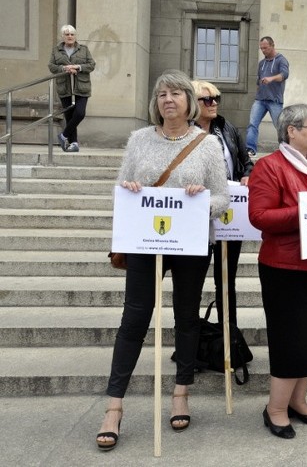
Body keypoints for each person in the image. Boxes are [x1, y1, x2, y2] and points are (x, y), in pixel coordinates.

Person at [95, 70, 229, 451]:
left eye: (175, 94)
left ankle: (181, 391)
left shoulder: (207, 144)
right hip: (144, 240)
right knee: (134, 316)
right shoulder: (138, 140)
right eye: (162, 94)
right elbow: (122, 187)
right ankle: (114, 406)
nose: (168, 99)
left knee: (186, 317)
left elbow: (222, 199)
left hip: (189, 242)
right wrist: (131, 188)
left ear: (189, 101)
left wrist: (200, 198)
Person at [248, 104, 307, 439]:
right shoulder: (269, 167)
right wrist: (304, 208)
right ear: (291, 131)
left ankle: (298, 400)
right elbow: (259, 217)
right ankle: (275, 408)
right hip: (284, 266)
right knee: (290, 341)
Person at [192, 80, 254, 326]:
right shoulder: (184, 131)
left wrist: (247, 173)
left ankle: (229, 339)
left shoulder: (226, 127)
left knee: (227, 279)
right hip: (197, 213)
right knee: (192, 281)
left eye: (216, 97)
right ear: (192, 102)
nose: (214, 103)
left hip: (229, 210)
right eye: (207, 99)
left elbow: (245, 160)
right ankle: (191, 344)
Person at [47, 24, 96, 153]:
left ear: (75, 36)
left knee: (80, 113)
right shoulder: (56, 50)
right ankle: (74, 143)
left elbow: (91, 65)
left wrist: (78, 67)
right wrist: (64, 68)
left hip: (81, 86)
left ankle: (63, 136)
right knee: (69, 116)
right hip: (64, 87)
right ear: (63, 36)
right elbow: (51, 66)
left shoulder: (83, 49)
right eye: (67, 34)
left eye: (72, 34)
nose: (70, 36)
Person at [246, 36, 290, 157]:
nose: (263, 50)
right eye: (261, 48)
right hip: (260, 100)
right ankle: (250, 149)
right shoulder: (261, 63)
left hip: (275, 101)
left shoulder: (282, 60)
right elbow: (258, 81)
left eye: (265, 48)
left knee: (280, 126)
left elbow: (284, 75)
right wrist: (258, 92)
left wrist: (271, 78)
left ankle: (286, 151)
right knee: (252, 124)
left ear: (272, 45)